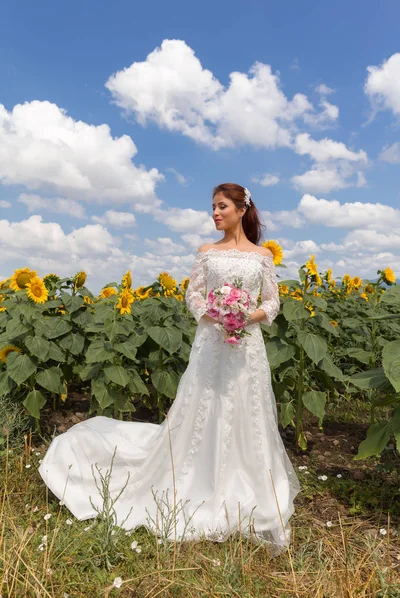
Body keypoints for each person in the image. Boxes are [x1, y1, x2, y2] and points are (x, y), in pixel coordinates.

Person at [38, 182, 300, 552]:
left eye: (222, 206)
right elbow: (192, 295)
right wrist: (216, 312)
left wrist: (245, 316)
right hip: (211, 342)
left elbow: (272, 303)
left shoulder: (262, 257)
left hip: (246, 346)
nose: (215, 213)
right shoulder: (207, 253)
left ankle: (246, 484)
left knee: (248, 411)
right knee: (203, 407)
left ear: (242, 209)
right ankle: (197, 481)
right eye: (212, 207)